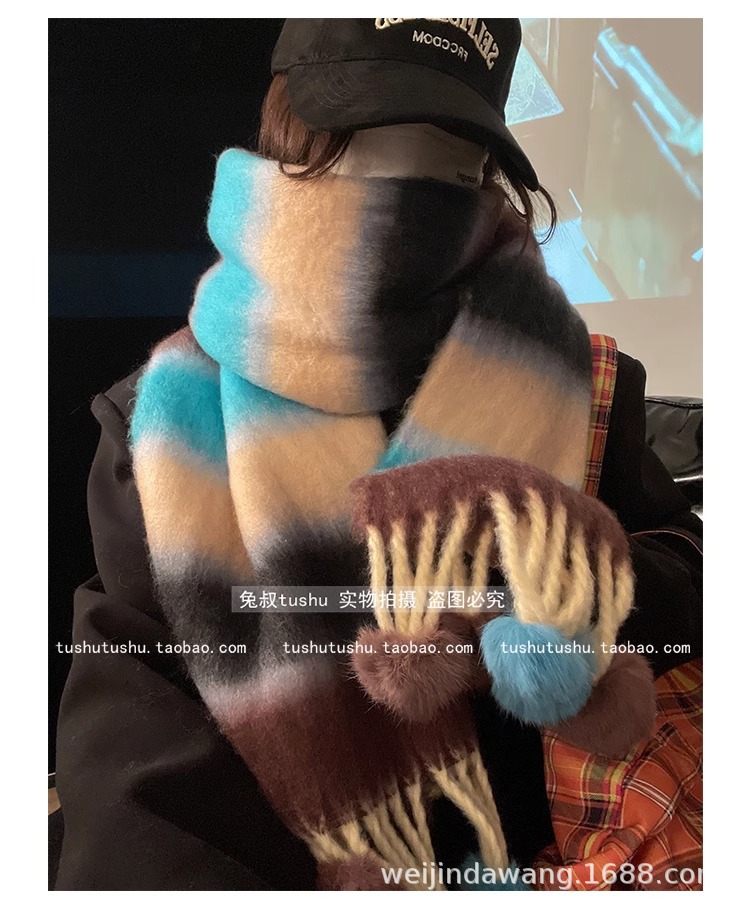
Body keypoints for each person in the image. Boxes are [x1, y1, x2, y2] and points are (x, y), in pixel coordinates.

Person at [54, 19, 702, 891]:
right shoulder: (161, 429)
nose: (411, 191)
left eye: (457, 168)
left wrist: (558, 575)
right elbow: (136, 735)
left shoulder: (580, 380)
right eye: (362, 146)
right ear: (289, 139)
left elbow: (687, 573)